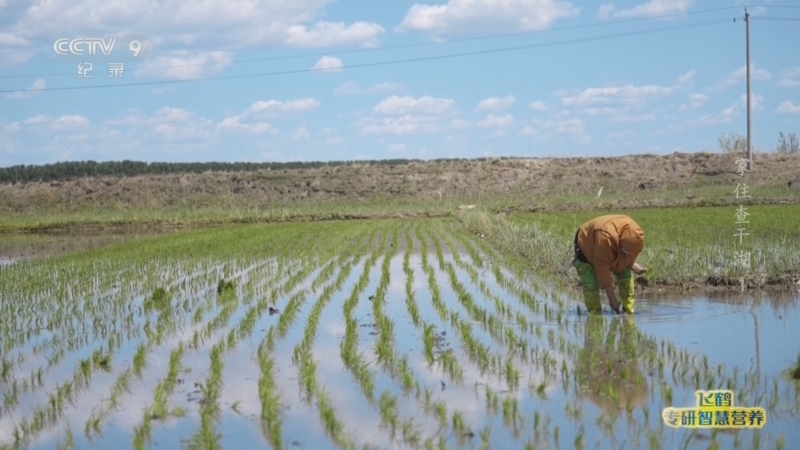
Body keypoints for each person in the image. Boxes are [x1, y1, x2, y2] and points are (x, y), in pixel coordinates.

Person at [573, 214, 647, 314]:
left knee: (625, 275)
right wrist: (611, 298)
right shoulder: (605, 237)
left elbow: (629, 253)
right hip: (587, 246)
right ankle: (595, 316)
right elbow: (602, 268)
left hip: (614, 246)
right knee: (591, 284)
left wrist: (630, 263)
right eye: (627, 252)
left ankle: (628, 313)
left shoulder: (635, 234)